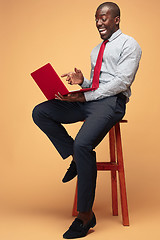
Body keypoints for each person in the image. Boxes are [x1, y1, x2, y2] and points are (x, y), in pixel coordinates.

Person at [32, 2, 142, 239]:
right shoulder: (96, 50)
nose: (99, 22)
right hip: (91, 100)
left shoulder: (129, 45)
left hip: (112, 104)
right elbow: (99, 82)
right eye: (96, 18)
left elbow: (121, 83)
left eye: (104, 18)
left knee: (84, 145)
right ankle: (75, 156)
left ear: (116, 19)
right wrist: (82, 82)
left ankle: (85, 216)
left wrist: (85, 95)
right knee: (41, 112)